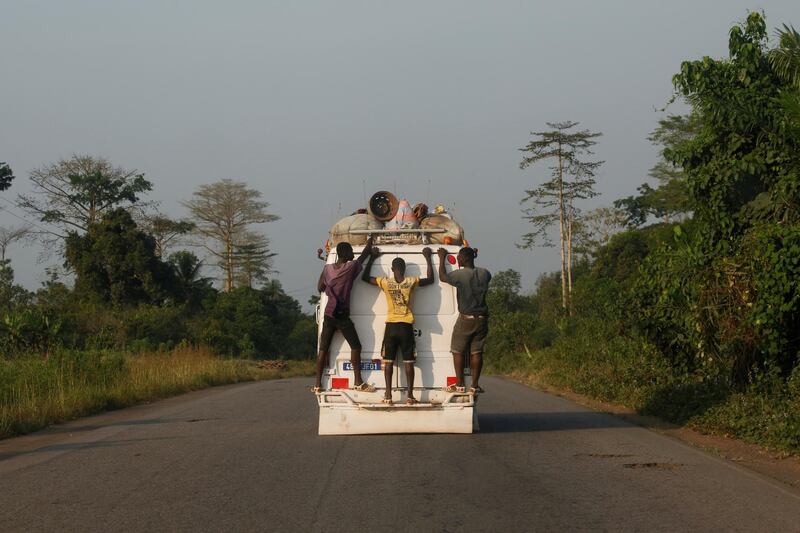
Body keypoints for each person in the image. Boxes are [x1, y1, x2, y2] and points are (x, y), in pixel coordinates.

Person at [362, 247, 434, 405]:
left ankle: (388, 395)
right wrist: (428, 258)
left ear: (392, 269)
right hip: (406, 326)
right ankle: (410, 396)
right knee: (409, 362)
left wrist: (372, 258)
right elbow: (430, 279)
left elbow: (365, 278)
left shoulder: (386, 282)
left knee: (388, 362)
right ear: (405, 269)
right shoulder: (411, 281)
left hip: (391, 327)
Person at [314, 238, 377, 393]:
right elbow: (364, 255)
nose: (352, 255)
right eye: (350, 252)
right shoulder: (350, 267)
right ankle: (358, 381)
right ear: (346, 253)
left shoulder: (328, 268)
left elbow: (320, 287)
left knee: (323, 349)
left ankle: (317, 385)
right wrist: (370, 242)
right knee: (356, 346)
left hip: (329, 314)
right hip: (342, 316)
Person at [437, 247, 491, 394]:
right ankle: (474, 385)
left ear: (465, 259)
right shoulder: (485, 273)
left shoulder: (460, 275)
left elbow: (442, 276)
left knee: (457, 350)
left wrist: (441, 258)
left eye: (460, 257)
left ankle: (460, 383)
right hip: (482, 319)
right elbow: (480, 274)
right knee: (477, 351)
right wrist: (473, 255)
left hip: (466, 319)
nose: (458, 260)